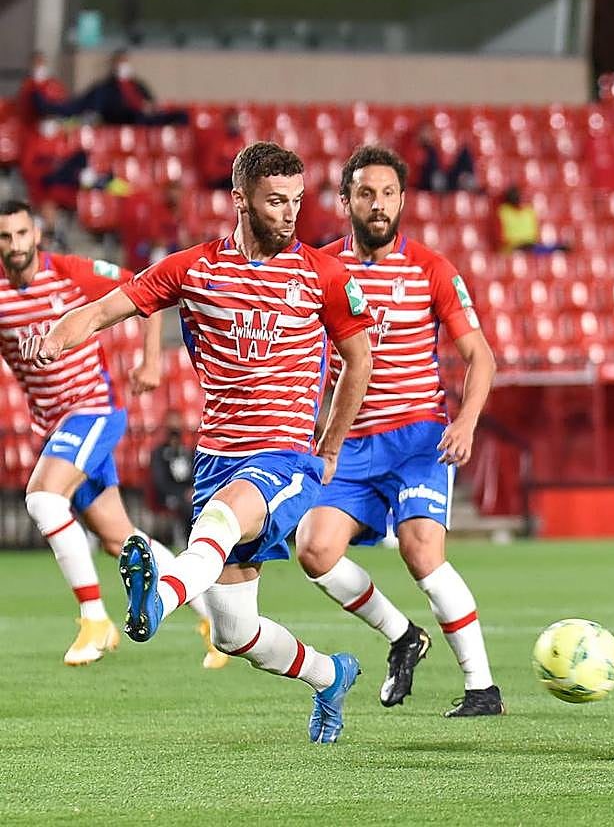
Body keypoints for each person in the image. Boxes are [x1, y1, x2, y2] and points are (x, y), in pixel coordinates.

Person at [24, 142, 375, 743]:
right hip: (218, 455)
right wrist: (62, 329)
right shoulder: (193, 268)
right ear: (240, 198)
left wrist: (332, 444)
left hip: (285, 455)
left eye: (296, 201)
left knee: (219, 519)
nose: (291, 214)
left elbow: (358, 359)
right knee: (239, 634)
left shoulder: (323, 273)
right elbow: (111, 307)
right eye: (275, 201)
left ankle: (157, 600)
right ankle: (329, 674)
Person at [295, 145, 504, 717]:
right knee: (314, 551)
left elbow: (479, 357)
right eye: (366, 193)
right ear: (345, 202)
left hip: (417, 438)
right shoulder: (317, 268)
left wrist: (465, 420)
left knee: (420, 552)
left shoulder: (433, 269)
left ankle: (483, 688)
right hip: (350, 442)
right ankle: (402, 636)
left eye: (388, 193)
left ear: (403, 200)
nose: (378, 204)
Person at [0, 200, 217, 667]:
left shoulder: (72, 271)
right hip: (53, 425)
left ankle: (95, 619)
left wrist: (152, 359)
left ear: (36, 235)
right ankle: (213, 620)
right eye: (5, 237)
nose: (14, 245)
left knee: (42, 498)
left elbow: (142, 289)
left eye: (21, 234)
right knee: (120, 539)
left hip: (93, 409)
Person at [65, 50, 188, 127]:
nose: (124, 66)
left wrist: (149, 108)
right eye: (120, 63)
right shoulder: (104, 89)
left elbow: (151, 103)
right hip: (125, 121)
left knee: (181, 115)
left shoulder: (138, 85)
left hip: (145, 120)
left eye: (125, 62)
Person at [149, 408, 194, 548]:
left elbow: (195, 475)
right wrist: (180, 493)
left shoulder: (188, 451)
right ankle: (185, 539)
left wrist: (192, 490)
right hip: (169, 494)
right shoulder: (159, 453)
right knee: (186, 506)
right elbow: (160, 481)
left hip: (188, 493)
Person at [407, 121, 476, 193]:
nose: (428, 135)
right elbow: (413, 174)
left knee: (465, 152)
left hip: (444, 180)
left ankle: (465, 177)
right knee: (436, 174)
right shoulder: (413, 150)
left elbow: (442, 167)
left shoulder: (433, 149)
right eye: (425, 132)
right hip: (425, 184)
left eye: (429, 132)